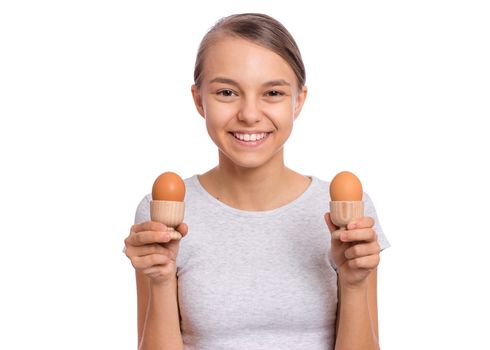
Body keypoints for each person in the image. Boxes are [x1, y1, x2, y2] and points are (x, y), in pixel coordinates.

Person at [124, 13, 390, 350]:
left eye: (273, 93)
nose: (249, 114)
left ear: (299, 101)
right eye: (226, 92)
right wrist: (161, 280)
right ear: (198, 100)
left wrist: (353, 283)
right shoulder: (162, 212)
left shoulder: (348, 213)